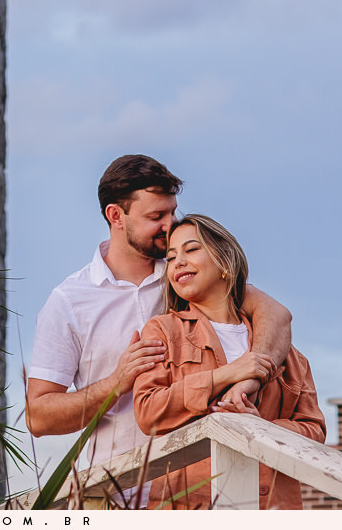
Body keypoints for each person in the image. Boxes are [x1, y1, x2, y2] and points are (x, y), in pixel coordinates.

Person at [24, 156, 292, 492]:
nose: (170, 225)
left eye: (172, 212)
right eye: (156, 216)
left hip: (197, 491)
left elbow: (276, 315)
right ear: (115, 216)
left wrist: (248, 376)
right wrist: (114, 384)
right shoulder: (68, 301)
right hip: (114, 494)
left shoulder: (187, 275)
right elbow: (38, 416)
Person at [133, 212, 324, 508]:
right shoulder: (163, 330)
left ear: (224, 261)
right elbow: (148, 412)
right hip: (191, 507)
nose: (178, 262)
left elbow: (314, 431)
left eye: (191, 249)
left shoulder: (287, 353)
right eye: (170, 257)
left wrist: (261, 427)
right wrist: (225, 375)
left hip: (272, 507)